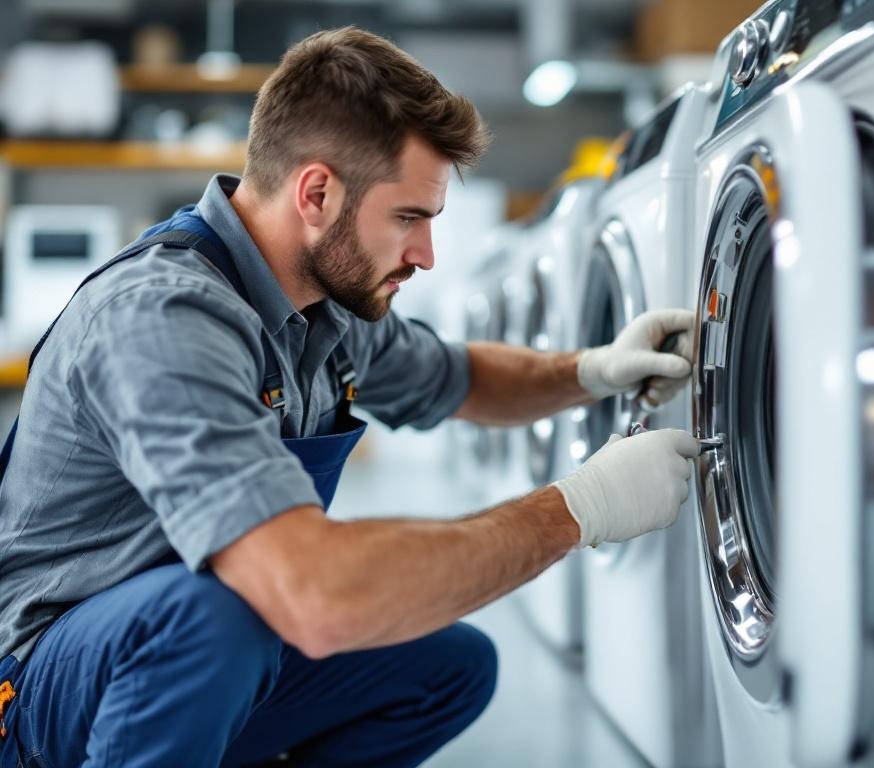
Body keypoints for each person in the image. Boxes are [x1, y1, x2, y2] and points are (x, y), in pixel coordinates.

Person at [0, 26, 699, 768]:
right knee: (222, 615)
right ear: (318, 193)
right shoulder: (165, 318)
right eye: (410, 218)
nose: (426, 255)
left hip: (192, 655)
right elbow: (314, 596)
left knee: (447, 668)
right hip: (41, 683)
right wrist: (579, 509)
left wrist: (592, 368)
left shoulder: (323, 306)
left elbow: (456, 377)